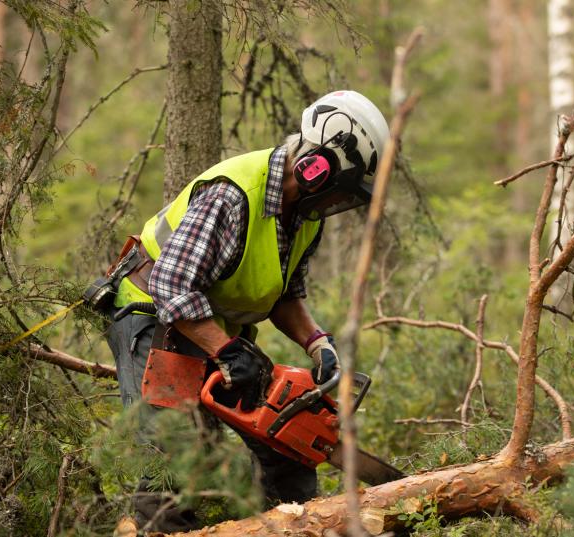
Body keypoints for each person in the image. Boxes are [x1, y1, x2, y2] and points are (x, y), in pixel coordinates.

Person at [102, 90, 390, 534]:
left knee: (288, 443)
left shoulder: (305, 214)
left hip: (215, 329)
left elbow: (284, 292)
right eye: (339, 190)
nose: (336, 204)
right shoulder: (233, 195)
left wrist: (319, 344)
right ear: (317, 166)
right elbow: (172, 285)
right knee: (175, 457)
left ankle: (289, 523)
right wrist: (228, 350)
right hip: (154, 315)